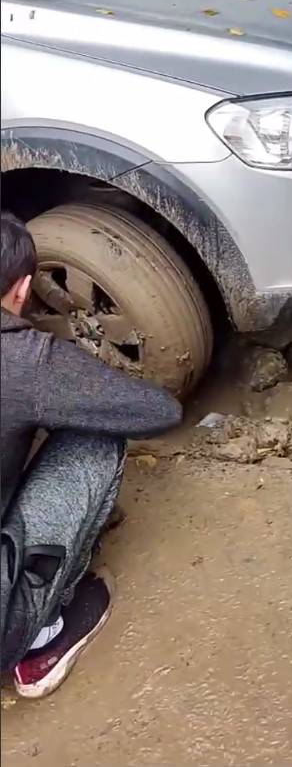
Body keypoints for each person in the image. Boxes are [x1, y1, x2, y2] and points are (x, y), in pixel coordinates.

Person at [0, 211, 183, 699]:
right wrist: (66, 379)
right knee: (96, 438)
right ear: (21, 292)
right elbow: (160, 410)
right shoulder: (27, 361)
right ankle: (42, 636)